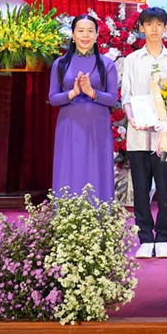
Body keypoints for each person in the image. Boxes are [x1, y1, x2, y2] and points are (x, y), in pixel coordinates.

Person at [122, 7, 167, 260]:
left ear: (166, 28)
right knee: (140, 188)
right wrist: (131, 117)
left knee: (166, 188)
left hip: (166, 137)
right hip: (138, 136)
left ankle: (162, 238)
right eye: (149, 24)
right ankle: (145, 238)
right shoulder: (132, 60)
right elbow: (126, 95)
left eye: (159, 24)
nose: (154, 29)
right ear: (141, 28)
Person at [48, 15, 119, 202]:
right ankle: (67, 214)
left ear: (96, 35)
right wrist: (72, 93)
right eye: (80, 31)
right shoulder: (60, 64)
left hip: (98, 123)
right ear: (73, 35)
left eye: (90, 31)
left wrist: (92, 93)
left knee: (97, 168)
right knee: (69, 167)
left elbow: (113, 99)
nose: (85, 35)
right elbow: (53, 98)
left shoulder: (107, 64)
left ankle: (98, 214)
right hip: (69, 124)